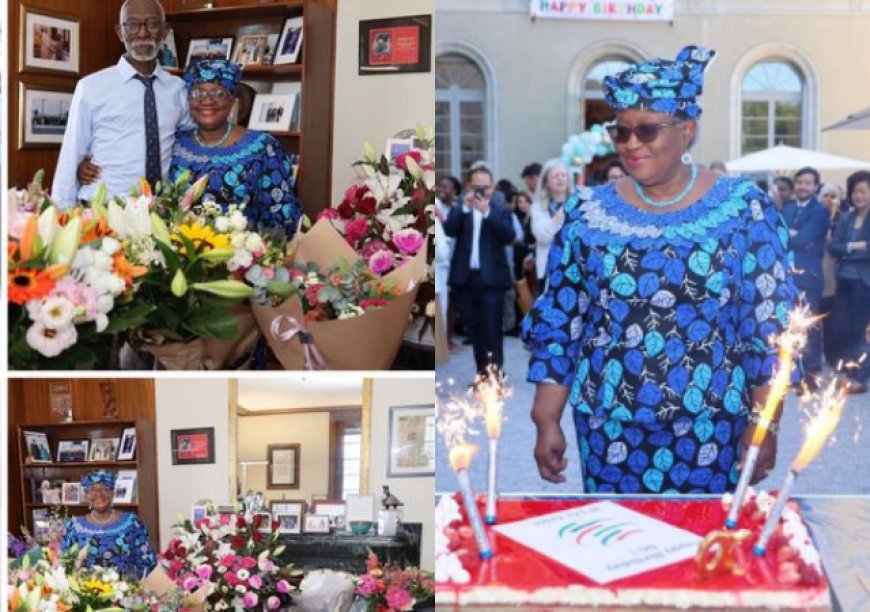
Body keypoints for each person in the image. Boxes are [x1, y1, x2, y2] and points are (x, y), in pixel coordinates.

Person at [522, 46, 798, 494]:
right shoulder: (588, 212)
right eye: (621, 131)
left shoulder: (743, 209)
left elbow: (771, 327)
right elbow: (563, 321)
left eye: (647, 130)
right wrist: (546, 417)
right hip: (609, 426)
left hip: (714, 425)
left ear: (686, 130)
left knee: (706, 552)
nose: (631, 144)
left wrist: (764, 424)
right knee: (618, 548)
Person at [54, 0, 191, 207]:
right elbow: (71, 155)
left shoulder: (178, 89)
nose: (143, 33)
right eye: (132, 24)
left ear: (164, 31)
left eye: (153, 24)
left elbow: (195, 140)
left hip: (160, 210)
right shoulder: (91, 87)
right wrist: (61, 214)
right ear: (120, 32)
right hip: (104, 209)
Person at [168, 59, 302, 237]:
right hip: (183, 257)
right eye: (198, 92)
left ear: (232, 100)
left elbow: (282, 218)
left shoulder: (263, 148)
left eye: (218, 93)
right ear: (188, 100)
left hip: (244, 258)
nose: (207, 100)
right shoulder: (175, 144)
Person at [444, 163, 516, 377]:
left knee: (492, 330)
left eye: (485, 187)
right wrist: (464, 208)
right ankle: (481, 374)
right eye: (477, 187)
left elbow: (509, 236)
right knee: (474, 331)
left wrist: (487, 213)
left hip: (492, 280)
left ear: (492, 188)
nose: (481, 192)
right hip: (465, 279)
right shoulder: (461, 208)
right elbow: (449, 230)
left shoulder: (500, 209)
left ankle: (495, 376)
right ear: (468, 186)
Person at [781, 167, 830, 392]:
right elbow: (779, 237)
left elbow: (803, 240)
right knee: (791, 326)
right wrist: (793, 235)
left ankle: (810, 377)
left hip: (809, 278)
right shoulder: (788, 208)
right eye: (799, 182)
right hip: (787, 278)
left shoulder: (820, 212)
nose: (802, 186)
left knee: (809, 327)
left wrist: (793, 235)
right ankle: (794, 373)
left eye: (808, 183)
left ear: (815, 187)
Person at [62, 470, 156, 579]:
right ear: (86, 496)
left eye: (105, 489)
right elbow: (65, 564)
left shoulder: (132, 523)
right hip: (85, 593)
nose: (99, 494)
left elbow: (146, 562)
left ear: (112, 493)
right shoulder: (73, 526)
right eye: (92, 490)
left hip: (125, 592)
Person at [828, 171, 870, 394]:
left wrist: (846, 250)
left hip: (865, 282)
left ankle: (860, 378)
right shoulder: (846, 218)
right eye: (856, 192)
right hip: (844, 279)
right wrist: (854, 247)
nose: (859, 196)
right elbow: (833, 247)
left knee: (860, 332)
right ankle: (845, 373)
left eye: (864, 192)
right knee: (842, 329)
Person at [530, 159, 571, 295]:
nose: (560, 179)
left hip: (573, 269)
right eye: (555, 176)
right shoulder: (538, 207)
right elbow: (542, 237)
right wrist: (557, 218)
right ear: (546, 181)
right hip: (548, 271)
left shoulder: (577, 202)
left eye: (563, 175)